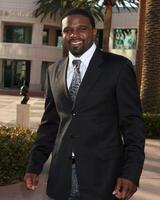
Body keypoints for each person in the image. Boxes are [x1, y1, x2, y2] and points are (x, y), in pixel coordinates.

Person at [24, 8, 146, 200]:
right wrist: (34, 165)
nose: (74, 35)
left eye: (82, 28)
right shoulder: (53, 71)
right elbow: (50, 124)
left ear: (94, 32)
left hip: (104, 179)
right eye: (67, 30)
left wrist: (131, 173)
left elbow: (133, 126)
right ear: (63, 34)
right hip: (61, 177)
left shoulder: (118, 67)